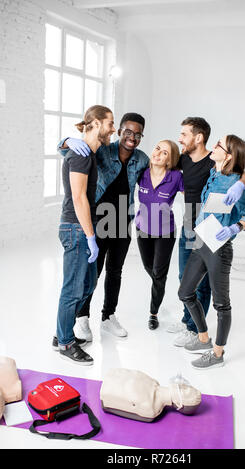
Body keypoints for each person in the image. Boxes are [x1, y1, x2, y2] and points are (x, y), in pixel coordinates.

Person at [57, 113, 149, 340]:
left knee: (115, 272)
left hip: (121, 220)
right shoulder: (104, 148)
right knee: (92, 273)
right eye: (128, 132)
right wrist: (68, 140)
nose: (132, 137)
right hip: (97, 218)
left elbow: (160, 175)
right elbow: (66, 152)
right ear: (119, 131)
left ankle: (108, 317)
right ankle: (82, 317)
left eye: (137, 134)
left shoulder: (142, 159)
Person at [170, 117, 245, 348]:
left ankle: (206, 342)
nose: (180, 138)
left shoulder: (222, 171)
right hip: (195, 231)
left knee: (212, 294)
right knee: (185, 286)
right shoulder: (204, 169)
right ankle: (195, 327)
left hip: (217, 244)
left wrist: (240, 186)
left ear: (199, 138)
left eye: (184, 134)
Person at [54, 105, 115, 366]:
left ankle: (62, 333)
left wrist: (65, 142)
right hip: (76, 228)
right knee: (73, 288)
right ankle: (65, 342)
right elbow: (79, 198)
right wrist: (90, 236)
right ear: (97, 123)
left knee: (87, 285)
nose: (113, 128)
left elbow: (64, 147)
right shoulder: (80, 156)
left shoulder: (86, 152)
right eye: (110, 123)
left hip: (82, 228)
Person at [135, 140, 184, 330]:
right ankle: (160, 283)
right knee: (151, 269)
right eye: (157, 148)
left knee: (158, 273)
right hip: (142, 229)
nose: (157, 154)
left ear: (170, 160)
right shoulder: (142, 173)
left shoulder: (176, 177)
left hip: (166, 232)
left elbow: (194, 192)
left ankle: (153, 313)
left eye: (164, 153)